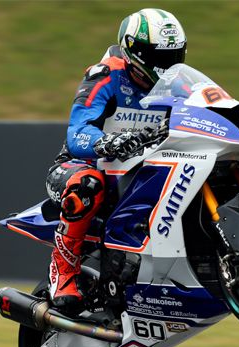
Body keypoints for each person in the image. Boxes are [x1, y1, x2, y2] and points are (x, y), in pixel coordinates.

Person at [45, 8, 187, 310]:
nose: (168, 65)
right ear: (134, 52)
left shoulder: (179, 85)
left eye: (174, 55)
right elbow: (77, 132)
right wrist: (107, 143)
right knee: (87, 184)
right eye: (160, 57)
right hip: (80, 167)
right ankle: (63, 272)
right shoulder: (105, 76)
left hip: (139, 171)